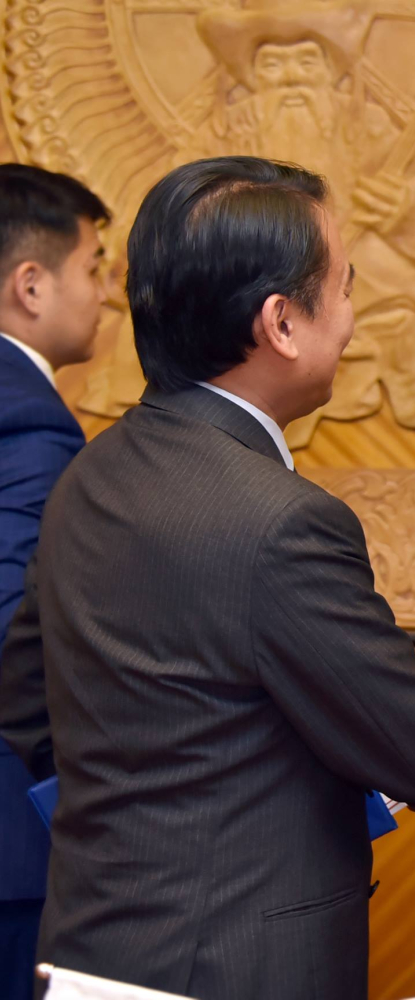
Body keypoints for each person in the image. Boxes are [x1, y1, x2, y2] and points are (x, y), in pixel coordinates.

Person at [0, 156, 415, 1000]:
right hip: (236, 965)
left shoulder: (89, 474)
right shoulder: (285, 521)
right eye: (344, 287)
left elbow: (22, 701)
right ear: (282, 323)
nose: (352, 317)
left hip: (89, 951)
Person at [0, 163, 109, 1000]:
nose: (107, 295)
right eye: (94, 267)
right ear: (31, 285)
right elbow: (13, 628)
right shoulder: (29, 421)